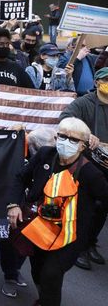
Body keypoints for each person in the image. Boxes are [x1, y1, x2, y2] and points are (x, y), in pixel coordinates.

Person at [7, 118, 108, 306]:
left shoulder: (91, 173)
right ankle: (44, 298)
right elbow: (21, 178)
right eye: (62, 136)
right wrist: (13, 205)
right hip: (39, 227)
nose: (66, 141)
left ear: (82, 146)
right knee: (37, 270)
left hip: (69, 236)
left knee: (51, 274)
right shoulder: (46, 155)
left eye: (73, 139)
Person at [60, 66, 108, 270]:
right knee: (88, 207)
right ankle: (78, 247)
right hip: (89, 163)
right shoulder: (84, 102)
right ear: (98, 83)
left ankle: (90, 243)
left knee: (103, 207)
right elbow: (65, 118)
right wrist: (87, 135)